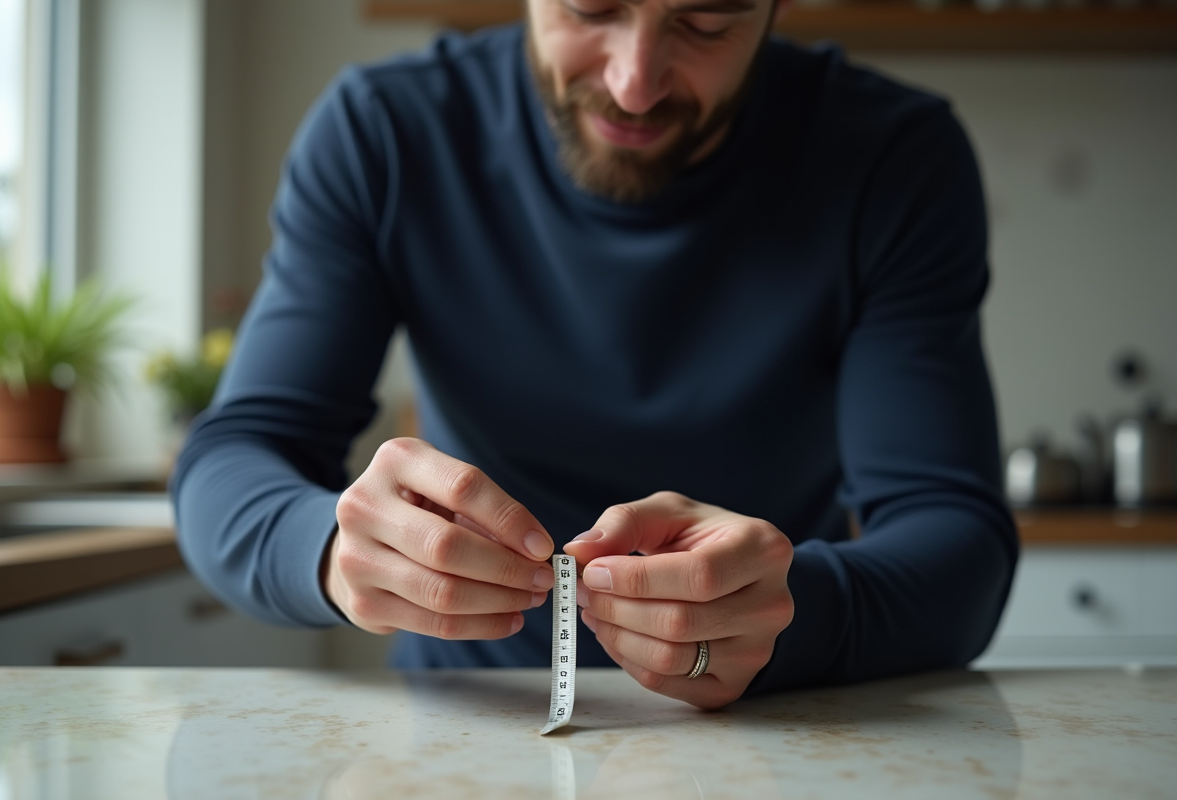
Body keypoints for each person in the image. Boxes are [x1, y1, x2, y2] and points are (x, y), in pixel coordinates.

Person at [172, 0, 1018, 710]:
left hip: (779, 726)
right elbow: (232, 460)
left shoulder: (896, 160)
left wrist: (803, 612)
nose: (633, 82)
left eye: (707, 20)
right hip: (470, 733)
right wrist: (325, 548)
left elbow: (958, 542)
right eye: (592, 6)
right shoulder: (384, 134)